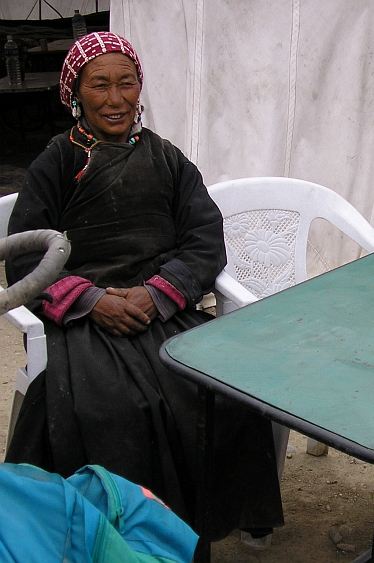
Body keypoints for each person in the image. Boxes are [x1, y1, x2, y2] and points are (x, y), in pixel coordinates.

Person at [4, 32, 283, 543]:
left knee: (227, 390)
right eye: (99, 86)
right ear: (75, 95)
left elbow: (204, 239)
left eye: (126, 83)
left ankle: (204, 523)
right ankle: (124, 536)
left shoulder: (168, 159)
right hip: (87, 319)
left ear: (139, 88)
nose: (115, 99)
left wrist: (157, 294)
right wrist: (92, 300)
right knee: (113, 410)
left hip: (161, 306)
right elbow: (24, 257)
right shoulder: (56, 162)